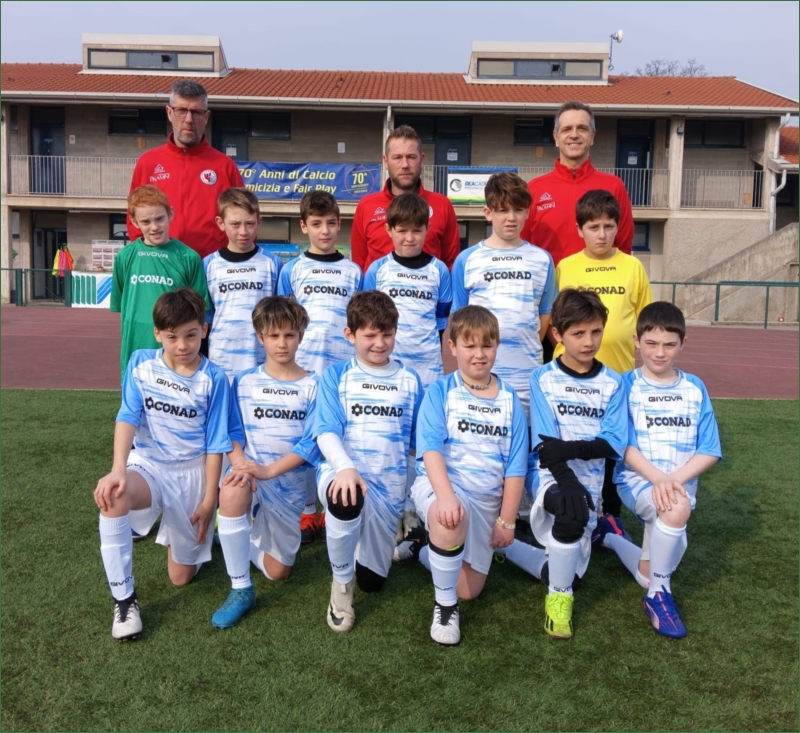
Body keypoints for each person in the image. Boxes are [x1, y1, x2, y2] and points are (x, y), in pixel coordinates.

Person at [93, 287, 232, 641]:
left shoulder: (214, 378)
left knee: (180, 578)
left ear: (204, 329)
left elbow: (216, 443)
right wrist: (118, 468)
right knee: (114, 495)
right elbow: (128, 415)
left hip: (192, 473)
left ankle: (178, 534)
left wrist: (209, 500)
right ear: (158, 334)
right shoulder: (141, 363)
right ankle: (124, 601)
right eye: (172, 337)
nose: (182, 345)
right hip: (149, 466)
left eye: (190, 335)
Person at [596, 302, 721, 638]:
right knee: (675, 511)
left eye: (669, 344)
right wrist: (659, 480)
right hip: (638, 481)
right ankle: (659, 597)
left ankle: (609, 535)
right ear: (636, 341)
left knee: (647, 572)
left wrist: (673, 480)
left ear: (683, 343)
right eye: (651, 343)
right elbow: (621, 444)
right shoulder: (625, 385)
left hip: (677, 485)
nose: (660, 352)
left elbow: (709, 449)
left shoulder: (694, 387)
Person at [510, 288, 627, 640]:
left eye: (596, 331)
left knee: (568, 572)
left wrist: (572, 450)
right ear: (557, 334)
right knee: (571, 507)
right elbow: (547, 448)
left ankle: (505, 546)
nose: (589, 342)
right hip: (547, 475)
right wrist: (569, 481)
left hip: (590, 483)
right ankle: (558, 602)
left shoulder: (613, 382)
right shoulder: (543, 377)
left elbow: (612, 443)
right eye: (578, 333)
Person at [409, 305, 528, 645]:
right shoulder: (441, 391)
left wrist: (507, 520)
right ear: (452, 346)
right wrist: (446, 497)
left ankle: (422, 547)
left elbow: (516, 467)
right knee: (450, 518)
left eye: (487, 345)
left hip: (486, 501)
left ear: (497, 346)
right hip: (445, 488)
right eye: (469, 345)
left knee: (469, 590)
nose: (479, 354)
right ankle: (445, 609)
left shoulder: (510, 400)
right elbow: (431, 451)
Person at [313, 291, 423, 633]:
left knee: (373, 582)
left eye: (387, 334)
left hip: (389, 488)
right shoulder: (336, 376)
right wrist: (345, 467)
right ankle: (341, 585)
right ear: (350, 334)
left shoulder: (410, 380)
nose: (379, 343)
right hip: (342, 472)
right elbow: (325, 431)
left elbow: (415, 447)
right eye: (370, 335)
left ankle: (378, 548)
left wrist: (412, 500)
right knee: (346, 496)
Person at [211, 296, 320, 629]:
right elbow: (232, 432)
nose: (282, 343)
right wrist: (242, 464)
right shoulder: (244, 381)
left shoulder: (314, 385)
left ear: (301, 336)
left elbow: (311, 444)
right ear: (260, 337)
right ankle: (240, 588)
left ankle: (237, 537)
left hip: (287, 485)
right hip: (250, 476)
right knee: (232, 491)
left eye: (289, 335)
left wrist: (269, 470)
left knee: (278, 571)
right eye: (273, 335)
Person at [556, 189, 652, 527]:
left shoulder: (633, 267)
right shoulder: (566, 267)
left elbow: (645, 322)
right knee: (571, 443)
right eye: (593, 227)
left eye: (608, 226)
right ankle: (568, 507)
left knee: (613, 447)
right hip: (570, 378)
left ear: (618, 227)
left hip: (618, 377)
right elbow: (555, 320)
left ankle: (610, 516)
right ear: (580, 229)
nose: (601, 234)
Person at [278, 191, 363, 543]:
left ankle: (332, 507)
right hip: (303, 370)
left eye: (330, 223)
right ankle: (307, 510)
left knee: (337, 437)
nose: (324, 231)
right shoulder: (291, 270)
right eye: (316, 224)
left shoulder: (354, 271)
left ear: (340, 224)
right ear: (304, 226)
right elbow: (284, 322)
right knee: (304, 439)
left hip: (341, 373)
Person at [451, 171, 557, 417]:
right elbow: (460, 319)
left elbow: (544, 313)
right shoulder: (467, 260)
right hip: (479, 375)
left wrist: (523, 342)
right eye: (502, 210)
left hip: (527, 375)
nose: (511, 218)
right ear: (488, 213)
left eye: (518, 210)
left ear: (527, 212)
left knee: (524, 436)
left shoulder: (542, 260)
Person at [127, 80, 244, 259]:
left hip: (208, 267)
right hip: (159, 265)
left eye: (196, 112)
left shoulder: (224, 166)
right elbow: (134, 215)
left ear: (206, 117)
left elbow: (244, 217)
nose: (189, 120)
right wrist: (146, 257)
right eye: (181, 110)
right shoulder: (148, 163)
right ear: (169, 112)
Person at [111, 185, 210, 383]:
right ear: (134, 222)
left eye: (159, 219)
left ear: (170, 214)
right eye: (146, 222)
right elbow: (122, 304)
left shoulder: (188, 257)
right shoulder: (125, 257)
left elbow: (200, 309)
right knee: (136, 400)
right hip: (135, 347)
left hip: (175, 350)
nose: (154, 227)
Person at [520, 100, 634, 266]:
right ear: (556, 137)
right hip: (550, 282)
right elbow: (522, 245)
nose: (574, 135)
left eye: (582, 128)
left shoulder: (614, 187)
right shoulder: (534, 189)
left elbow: (623, 247)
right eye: (567, 129)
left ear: (592, 136)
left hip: (598, 282)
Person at [363, 192, 452, 389]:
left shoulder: (439, 270)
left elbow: (441, 320)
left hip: (429, 367)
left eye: (417, 231)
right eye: (402, 230)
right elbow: (366, 322)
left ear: (427, 228)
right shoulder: (377, 270)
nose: (409, 238)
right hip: (388, 365)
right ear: (389, 229)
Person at [351, 125, 461, 272]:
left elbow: (451, 265)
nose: (405, 165)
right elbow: (359, 266)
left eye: (411, 157)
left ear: (422, 159)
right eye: (397, 157)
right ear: (386, 161)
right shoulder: (366, 206)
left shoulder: (442, 205)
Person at [203, 188, 282, 381]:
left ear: (259, 222)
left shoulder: (272, 263)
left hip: (262, 360)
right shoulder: (209, 264)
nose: (243, 232)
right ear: (220, 223)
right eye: (235, 224)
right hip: (221, 359)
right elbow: (206, 319)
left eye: (250, 224)